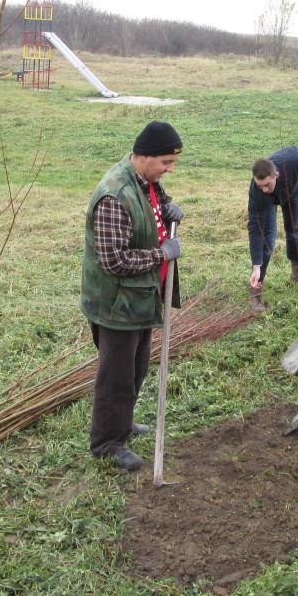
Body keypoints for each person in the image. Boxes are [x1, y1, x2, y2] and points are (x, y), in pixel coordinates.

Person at [81, 121, 183, 472]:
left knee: (136, 366)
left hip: (139, 297)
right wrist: (162, 254)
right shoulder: (115, 196)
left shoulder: (144, 181)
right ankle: (107, 442)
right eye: (166, 163)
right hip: (116, 303)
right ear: (144, 157)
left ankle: (121, 424)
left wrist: (168, 208)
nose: (169, 170)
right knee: (116, 375)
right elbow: (114, 260)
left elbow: (154, 201)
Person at [246, 145, 298, 311]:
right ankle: (256, 290)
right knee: (268, 239)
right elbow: (255, 229)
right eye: (260, 186)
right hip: (269, 204)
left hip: (292, 191)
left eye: (267, 184)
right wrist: (256, 266)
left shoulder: (293, 159)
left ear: (276, 175)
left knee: (294, 232)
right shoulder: (258, 193)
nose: (264, 189)